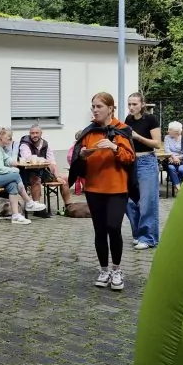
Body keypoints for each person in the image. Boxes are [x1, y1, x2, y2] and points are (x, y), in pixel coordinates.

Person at [73, 92, 135, 291]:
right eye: (93, 106)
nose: (95, 110)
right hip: (94, 188)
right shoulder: (89, 131)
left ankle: (117, 270)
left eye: (99, 106)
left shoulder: (122, 129)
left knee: (113, 227)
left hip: (117, 188)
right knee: (99, 230)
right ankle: (104, 270)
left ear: (110, 108)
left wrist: (114, 147)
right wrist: (81, 155)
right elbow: (77, 160)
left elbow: (129, 158)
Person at [0, 128, 46, 224]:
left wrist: (24, 161)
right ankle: (29, 202)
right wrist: (14, 170)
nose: (10, 139)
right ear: (1, 137)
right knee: (15, 175)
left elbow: (8, 160)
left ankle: (15, 215)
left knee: (12, 184)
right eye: (9, 137)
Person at [124, 93, 162, 250]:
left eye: (134, 104)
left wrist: (137, 137)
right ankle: (138, 233)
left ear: (142, 105)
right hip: (131, 162)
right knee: (128, 201)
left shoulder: (150, 119)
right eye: (129, 104)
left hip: (147, 162)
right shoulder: (128, 120)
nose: (131, 107)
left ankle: (149, 238)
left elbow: (157, 144)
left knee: (147, 202)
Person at [18, 124, 72, 208]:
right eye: (32, 133)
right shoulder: (25, 144)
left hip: (43, 172)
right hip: (27, 173)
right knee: (36, 179)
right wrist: (43, 160)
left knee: (64, 178)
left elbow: (52, 162)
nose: (35, 135)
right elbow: (28, 158)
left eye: (37, 133)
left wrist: (57, 176)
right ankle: (37, 208)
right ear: (29, 134)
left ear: (41, 133)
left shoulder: (45, 144)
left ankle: (68, 206)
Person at [164, 121, 183, 192]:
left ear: (176, 131)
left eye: (170, 129)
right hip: (170, 159)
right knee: (171, 167)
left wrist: (178, 157)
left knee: (182, 169)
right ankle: (178, 188)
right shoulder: (167, 138)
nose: (168, 131)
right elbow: (167, 150)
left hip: (182, 159)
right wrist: (173, 157)